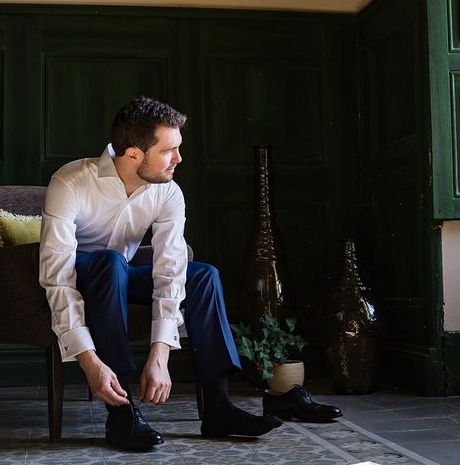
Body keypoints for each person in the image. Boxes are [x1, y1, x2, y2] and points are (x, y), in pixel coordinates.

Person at [39, 97, 282, 451]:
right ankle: (120, 413)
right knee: (109, 262)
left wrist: (161, 353)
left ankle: (218, 407)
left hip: (122, 277)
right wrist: (90, 363)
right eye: (169, 150)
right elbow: (58, 279)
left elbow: (171, 270)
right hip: (86, 278)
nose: (179, 159)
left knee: (202, 275)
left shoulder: (168, 192)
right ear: (134, 154)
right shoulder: (71, 181)